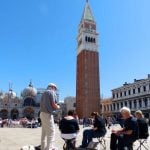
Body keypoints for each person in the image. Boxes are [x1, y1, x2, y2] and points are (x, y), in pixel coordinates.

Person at [40, 83, 60, 150]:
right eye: (55, 89)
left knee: (44, 132)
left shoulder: (44, 93)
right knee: (51, 132)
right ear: (52, 87)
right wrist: (58, 107)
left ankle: (43, 147)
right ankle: (49, 148)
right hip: (47, 114)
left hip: (42, 113)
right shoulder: (51, 92)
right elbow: (53, 104)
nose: (55, 90)